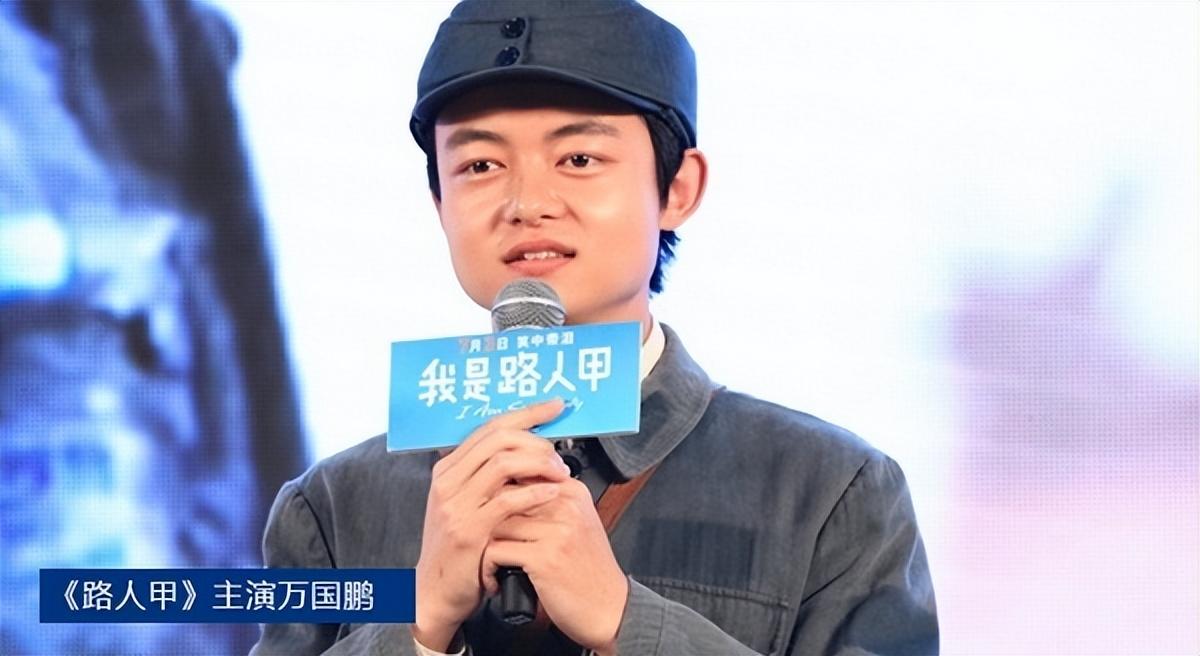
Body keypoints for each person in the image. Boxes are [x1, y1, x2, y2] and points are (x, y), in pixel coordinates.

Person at [250, 1, 938, 654]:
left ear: (678, 189)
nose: (527, 203)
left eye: (578, 159)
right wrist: (418, 623)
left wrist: (624, 620)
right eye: (480, 165)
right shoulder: (333, 506)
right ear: (439, 203)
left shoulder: (831, 490)